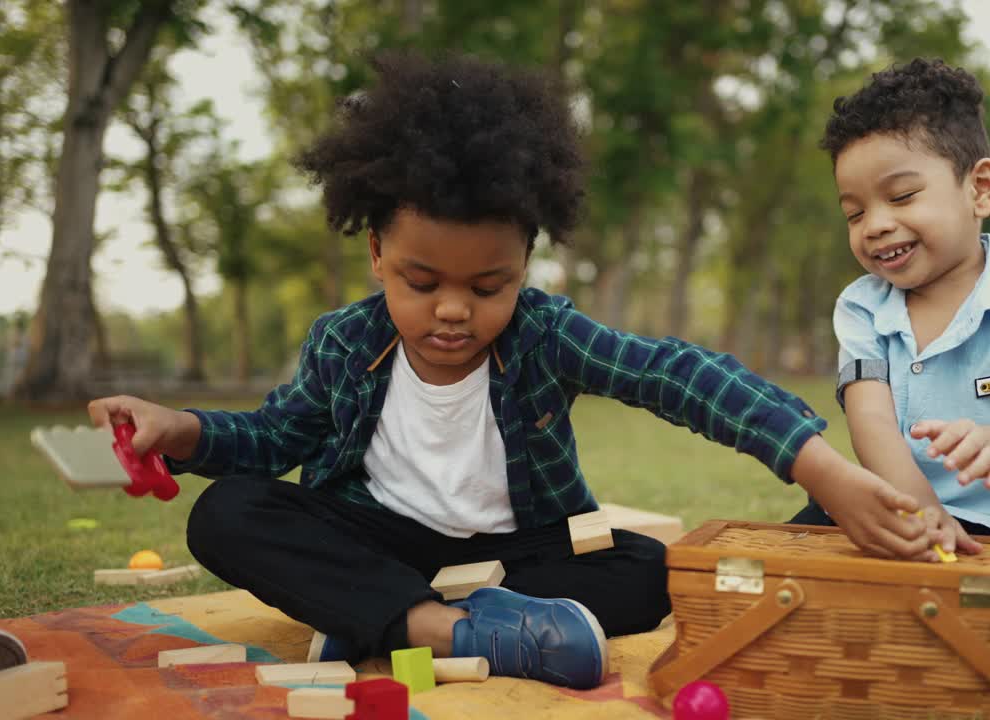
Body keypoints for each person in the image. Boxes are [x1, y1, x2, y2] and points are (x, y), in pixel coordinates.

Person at [86, 51, 929, 690]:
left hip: (519, 558)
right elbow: (274, 437)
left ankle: (378, 625)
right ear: (377, 253)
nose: (454, 310)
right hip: (384, 541)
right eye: (424, 282)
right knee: (227, 513)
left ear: (525, 264)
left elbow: (680, 377)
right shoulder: (344, 344)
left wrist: (822, 467)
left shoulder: (542, 334)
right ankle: (433, 628)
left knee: (657, 574)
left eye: (488, 286)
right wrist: (185, 430)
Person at [788, 58, 990, 558]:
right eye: (855, 212)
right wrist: (918, 510)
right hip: (895, 504)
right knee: (777, 566)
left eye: (903, 196)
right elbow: (871, 425)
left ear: (979, 188)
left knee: (927, 606)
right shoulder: (862, 305)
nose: (876, 225)